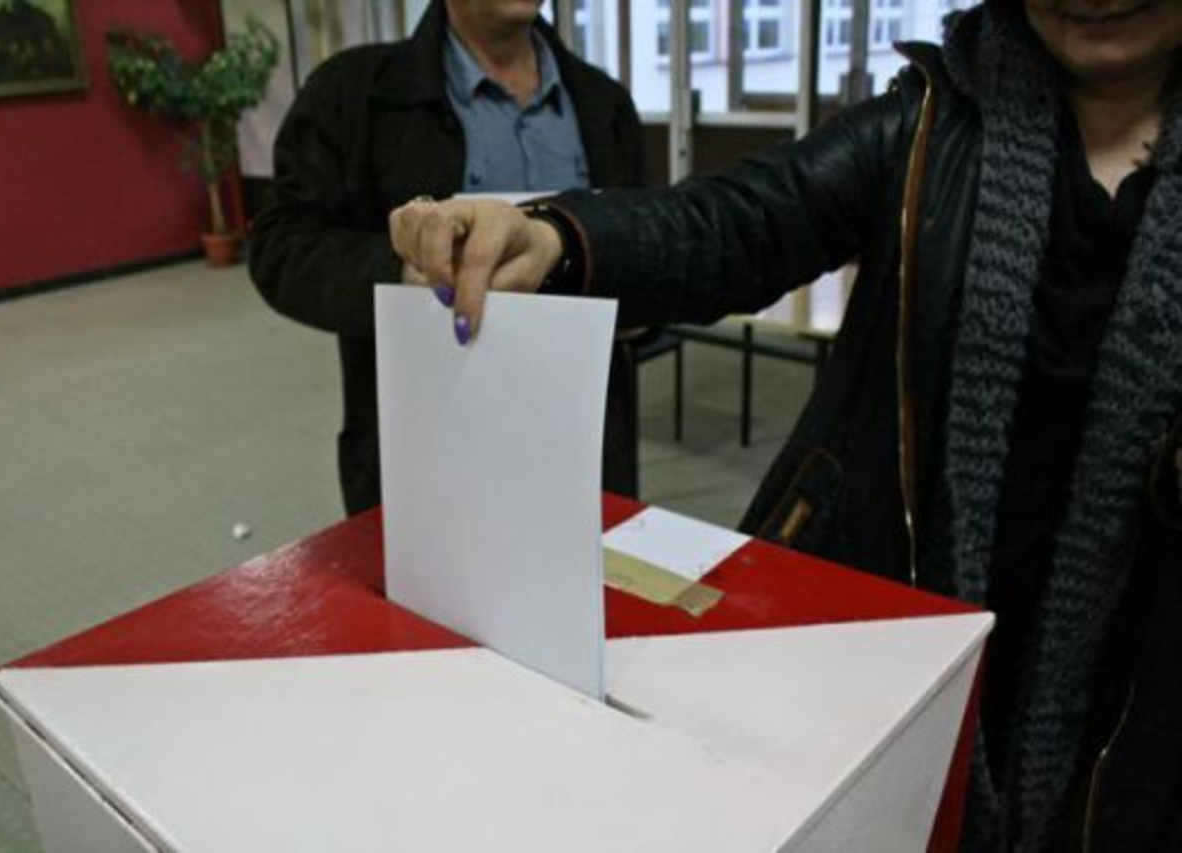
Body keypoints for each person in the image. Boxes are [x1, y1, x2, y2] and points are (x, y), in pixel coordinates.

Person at [390, 0, 1182, 849]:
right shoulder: (925, 124)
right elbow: (737, 223)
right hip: (895, 635)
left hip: (1139, 696)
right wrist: (556, 237)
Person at [248, 0, 644, 516]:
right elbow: (281, 245)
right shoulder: (353, 93)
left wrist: (635, 298)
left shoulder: (604, 103)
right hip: (424, 445)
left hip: (584, 440)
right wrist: (404, 270)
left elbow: (638, 245)